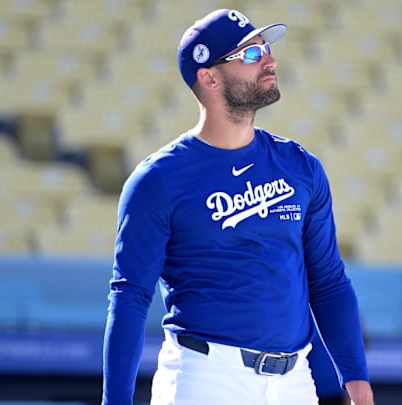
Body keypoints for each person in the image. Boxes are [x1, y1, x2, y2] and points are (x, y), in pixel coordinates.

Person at [101, 9, 374, 405]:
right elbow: (129, 298)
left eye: (265, 48)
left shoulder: (300, 167)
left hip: (295, 382)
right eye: (249, 54)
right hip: (205, 378)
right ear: (208, 77)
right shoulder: (157, 180)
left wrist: (357, 380)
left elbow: (329, 282)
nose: (269, 60)